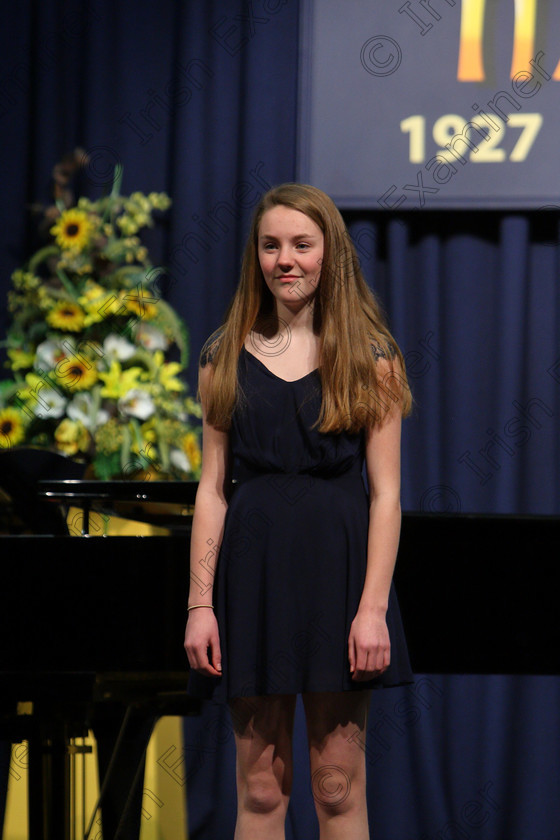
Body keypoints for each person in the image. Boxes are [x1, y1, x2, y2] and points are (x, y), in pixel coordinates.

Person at [184, 183, 413, 840]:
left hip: (338, 583)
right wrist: (201, 603)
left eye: (301, 245)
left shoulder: (373, 361)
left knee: (336, 785)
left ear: (329, 254)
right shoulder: (222, 358)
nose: (286, 259)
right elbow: (212, 490)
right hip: (250, 583)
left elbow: (388, 496)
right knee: (261, 787)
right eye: (271, 245)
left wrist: (372, 609)